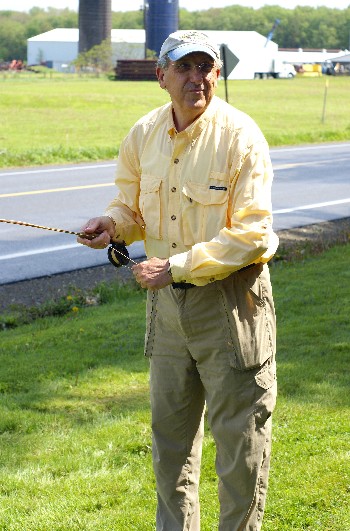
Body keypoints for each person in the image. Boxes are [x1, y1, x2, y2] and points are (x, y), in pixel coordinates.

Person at [78, 30, 278, 531]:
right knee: (170, 448)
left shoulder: (240, 135)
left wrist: (178, 266)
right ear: (160, 76)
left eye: (205, 67)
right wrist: (113, 224)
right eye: (184, 68)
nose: (197, 78)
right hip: (167, 310)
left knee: (240, 446)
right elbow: (131, 207)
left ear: (217, 73)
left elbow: (253, 235)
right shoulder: (143, 135)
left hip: (232, 305)